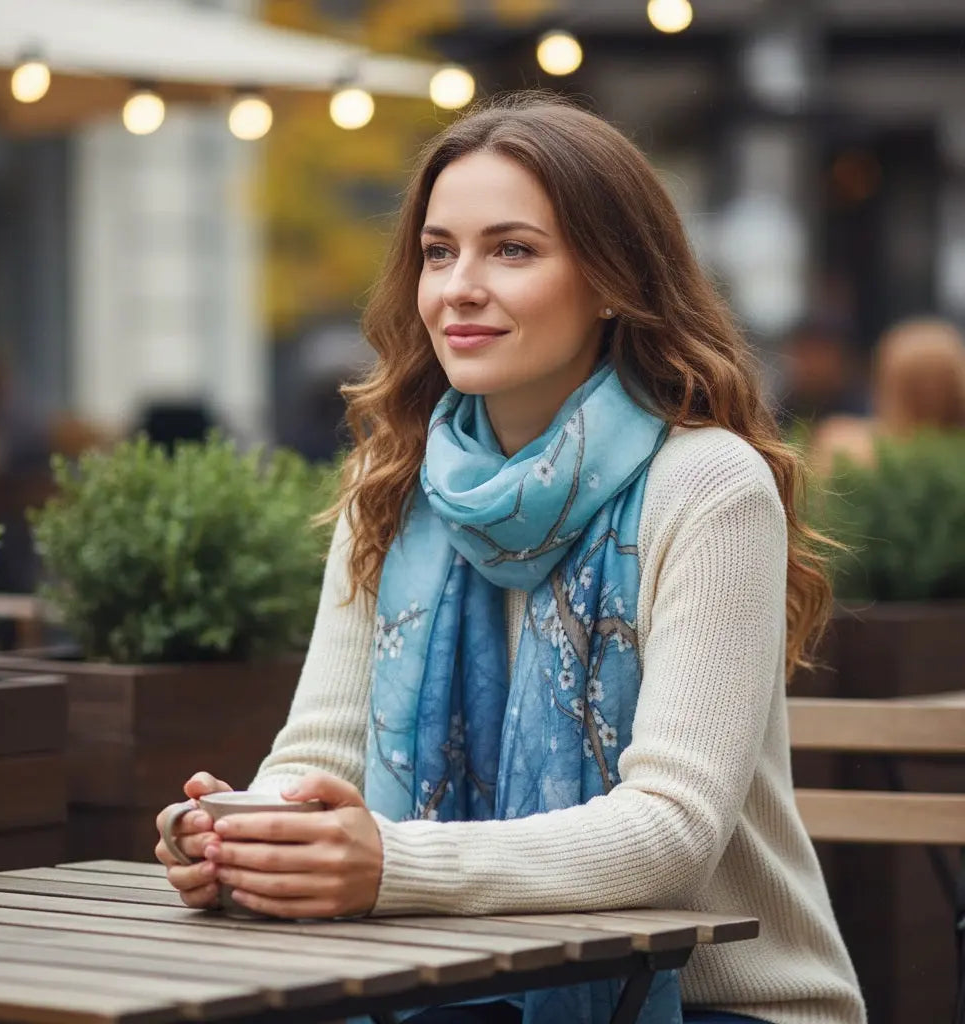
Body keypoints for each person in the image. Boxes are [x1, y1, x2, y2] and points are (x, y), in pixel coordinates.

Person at [155, 95, 866, 1024]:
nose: (460, 286)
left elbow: (671, 834)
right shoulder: (395, 477)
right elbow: (323, 751)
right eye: (439, 251)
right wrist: (244, 831)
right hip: (454, 985)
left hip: (716, 1003)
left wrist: (389, 863)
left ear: (612, 279)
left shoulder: (708, 487)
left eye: (514, 250)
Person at [810, 316, 965, 475]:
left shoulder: (843, 443)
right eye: (916, 383)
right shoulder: (844, 442)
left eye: (937, 381)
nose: (930, 393)